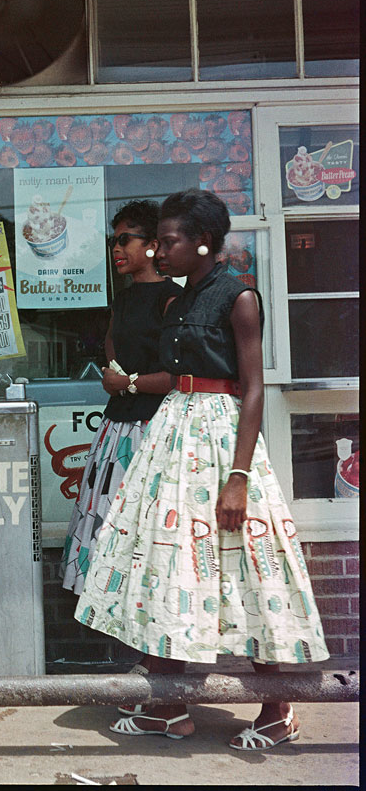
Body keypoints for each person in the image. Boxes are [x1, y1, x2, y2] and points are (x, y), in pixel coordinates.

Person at [74, 189, 329, 750]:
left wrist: (238, 476)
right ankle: (169, 704)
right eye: (159, 242)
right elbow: (169, 373)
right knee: (166, 564)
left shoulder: (239, 298)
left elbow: (253, 387)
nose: (161, 251)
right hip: (173, 434)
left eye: (170, 242)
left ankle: (276, 710)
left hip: (219, 441)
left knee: (249, 566)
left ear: (204, 243)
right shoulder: (180, 300)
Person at [60, 201, 176, 714]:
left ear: (153, 244)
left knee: (150, 545)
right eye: (115, 239)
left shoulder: (175, 300)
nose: (117, 248)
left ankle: (162, 673)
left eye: (127, 238)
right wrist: (120, 377)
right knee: (115, 541)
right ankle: (146, 669)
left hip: (155, 432)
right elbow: (112, 352)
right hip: (117, 430)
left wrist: (127, 381)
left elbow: (182, 374)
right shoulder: (124, 300)